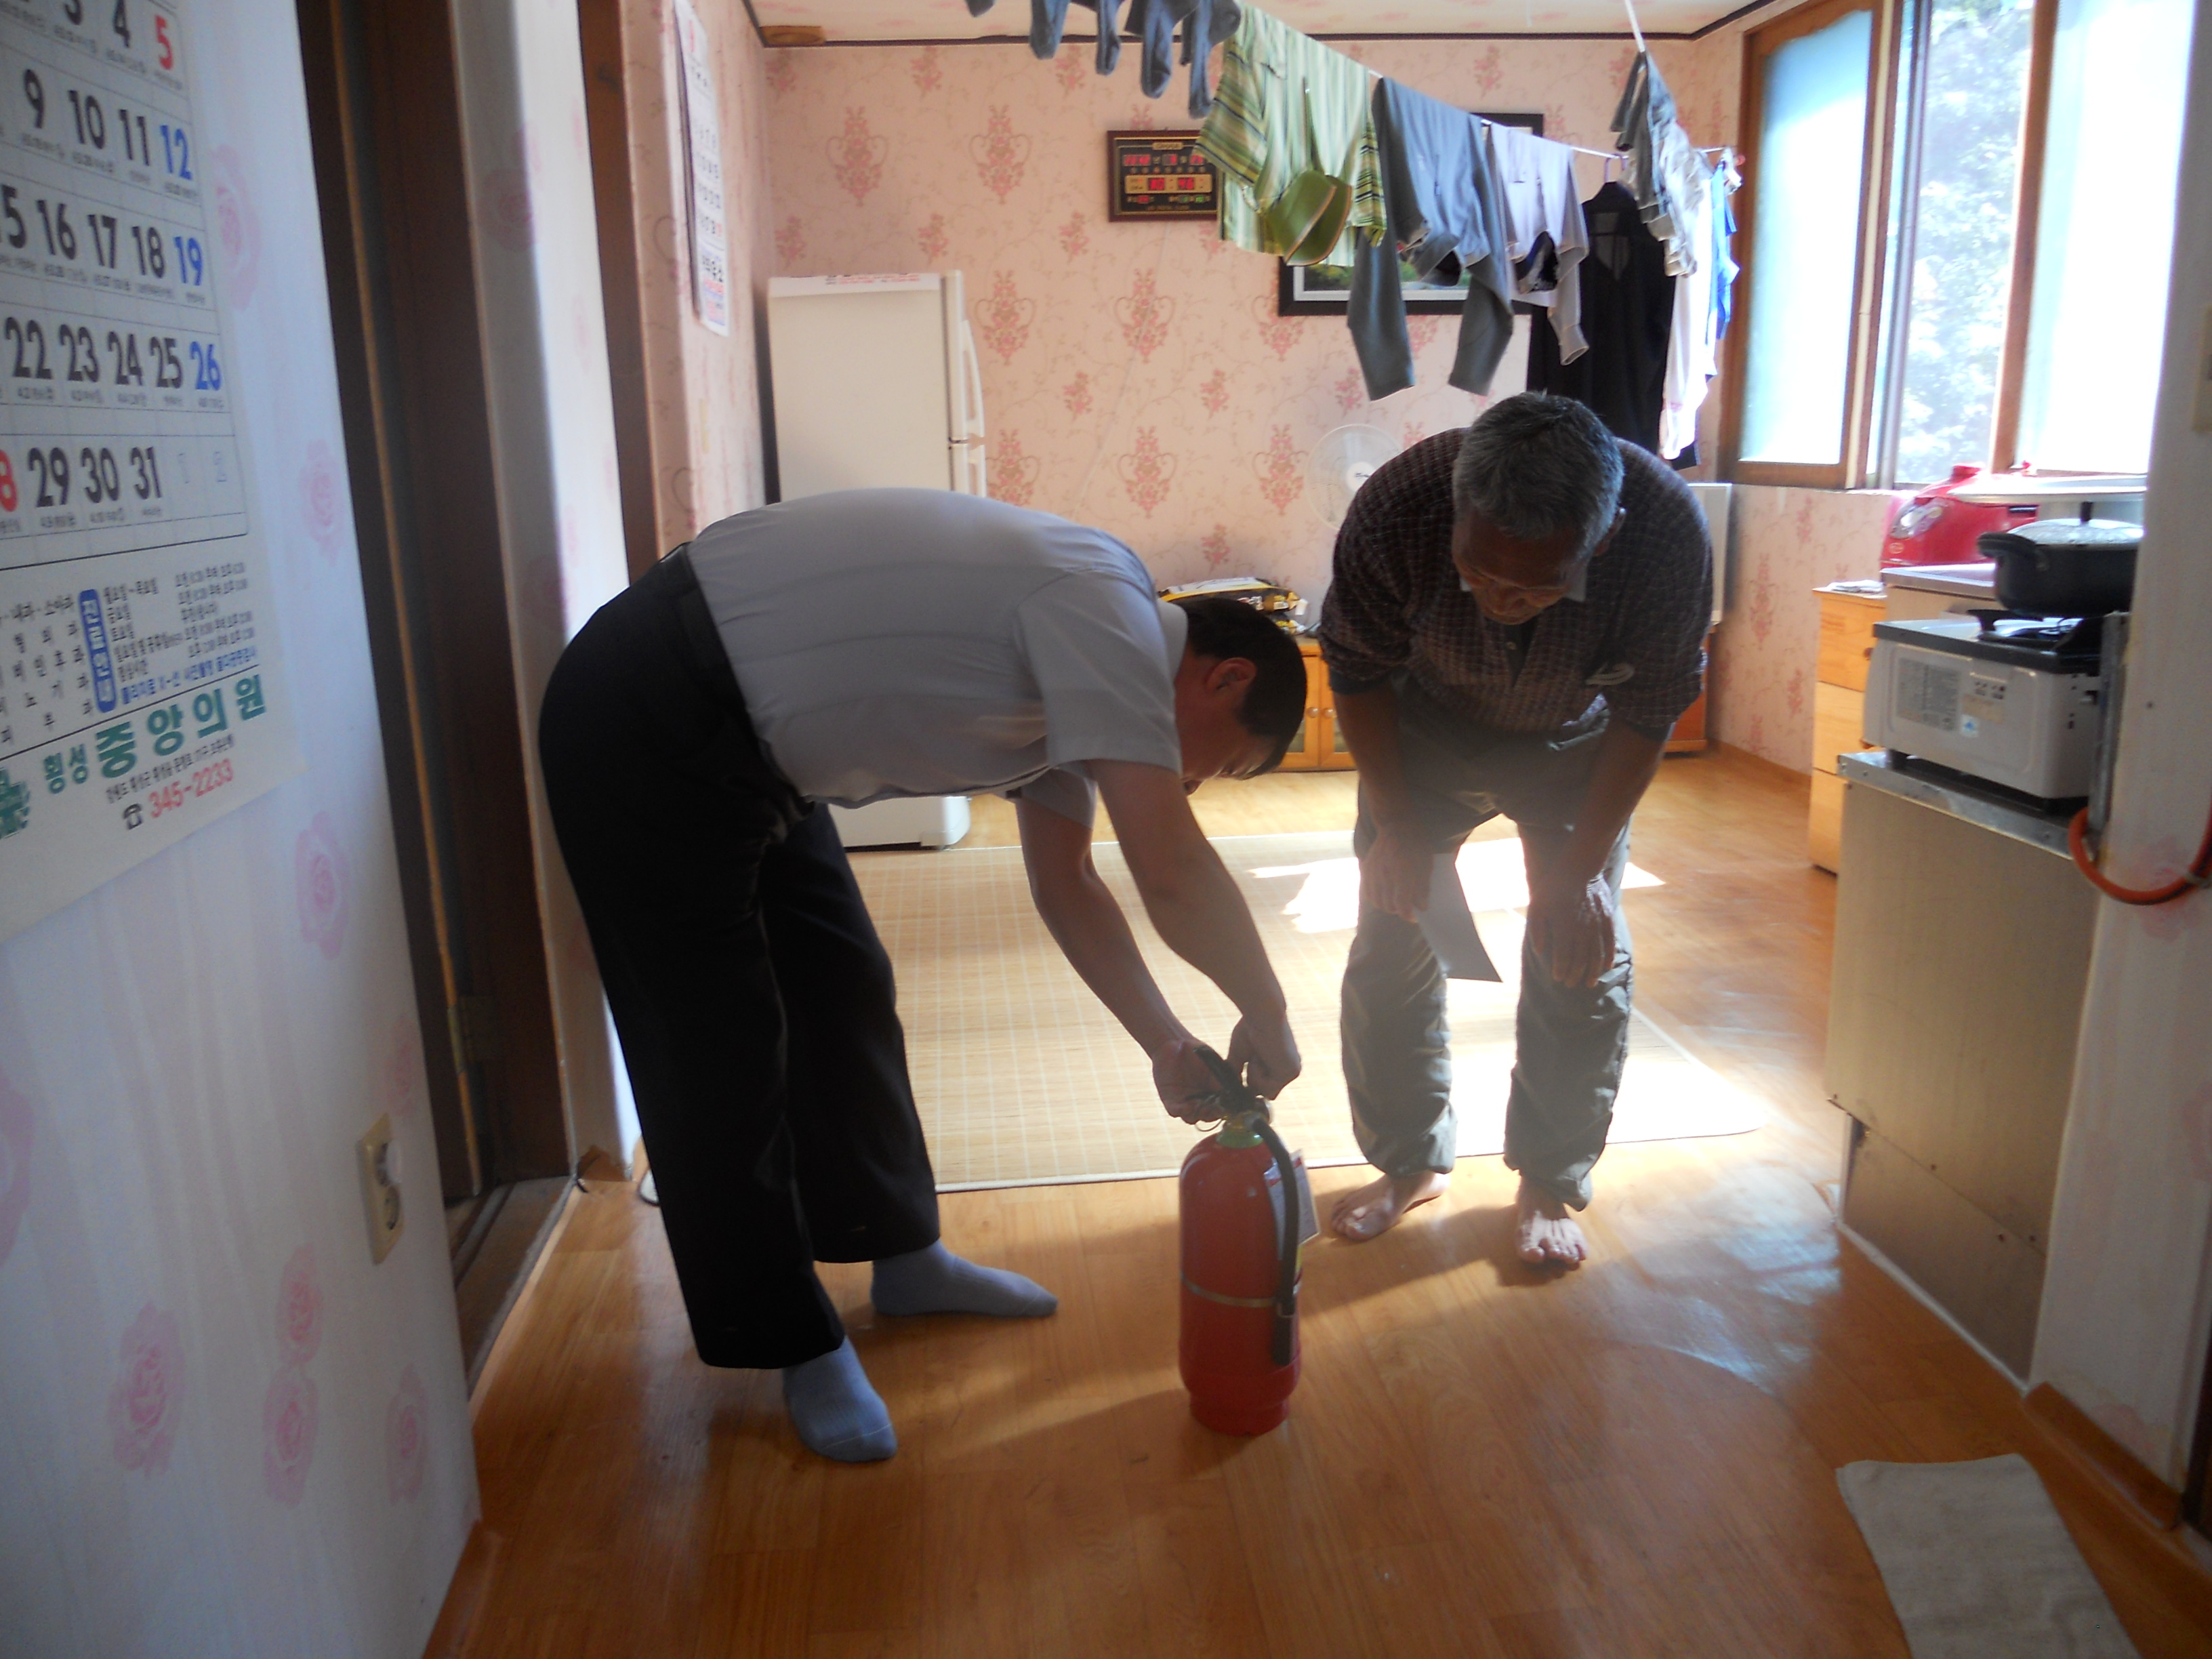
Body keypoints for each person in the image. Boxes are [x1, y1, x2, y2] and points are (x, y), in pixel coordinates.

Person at [537, 487, 1307, 1462]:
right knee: (715, 1048)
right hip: (648, 708)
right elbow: (1172, 872)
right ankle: (793, 1342)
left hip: (763, 761)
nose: (1188, 782)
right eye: (1218, 766)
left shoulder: (1083, 687)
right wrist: (1269, 1009)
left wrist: (1164, 1042)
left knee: (846, 989)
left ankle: (903, 1257)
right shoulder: (1105, 612)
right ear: (1226, 677)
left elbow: (1069, 885)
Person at [1315, 394, 1711, 1264]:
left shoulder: (1664, 534)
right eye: (1478, 570)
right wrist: (1396, 825)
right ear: (1456, 511)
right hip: (1422, 726)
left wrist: (1582, 873)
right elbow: (1355, 668)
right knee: (1394, 934)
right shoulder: (1399, 505)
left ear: (1603, 541)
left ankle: (1548, 1180)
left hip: (1580, 739)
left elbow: (1651, 709)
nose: (1501, 599)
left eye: (1535, 586)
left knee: (1580, 948)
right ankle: (1410, 1162)